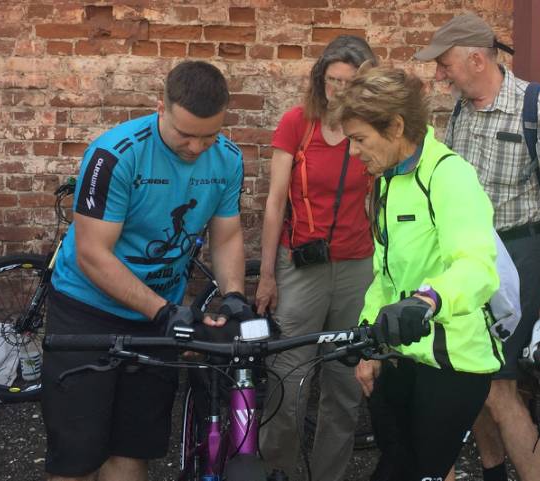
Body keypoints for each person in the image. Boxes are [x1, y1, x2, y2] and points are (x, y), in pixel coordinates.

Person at [42, 60, 253, 481]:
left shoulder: (228, 159)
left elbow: (227, 236)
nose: (196, 147)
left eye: (209, 135)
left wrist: (233, 297)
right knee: (77, 458)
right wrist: (164, 311)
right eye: (185, 134)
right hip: (88, 312)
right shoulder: (115, 154)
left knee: (132, 448)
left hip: (157, 318)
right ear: (161, 108)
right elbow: (92, 254)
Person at [414, 13, 540, 481]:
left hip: (519, 253)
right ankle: (494, 473)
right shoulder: (461, 109)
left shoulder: (538, 107)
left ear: (475, 59)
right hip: (470, 256)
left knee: (498, 387)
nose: (440, 75)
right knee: (472, 377)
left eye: (445, 64)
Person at [339, 64, 502, 480]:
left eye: (360, 139)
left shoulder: (449, 176)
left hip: (452, 361)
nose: (353, 152)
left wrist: (428, 300)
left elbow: (477, 266)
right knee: (401, 464)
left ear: (395, 127)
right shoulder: (388, 179)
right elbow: (385, 275)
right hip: (401, 353)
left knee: (411, 471)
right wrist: (368, 339)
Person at [255, 35, 377, 480]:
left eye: (348, 82)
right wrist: (267, 274)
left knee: (345, 384)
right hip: (302, 266)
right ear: (320, 78)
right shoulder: (298, 123)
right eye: (332, 80)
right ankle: (277, 472)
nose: (338, 90)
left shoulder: (372, 129)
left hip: (357, 266)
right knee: (288, 376)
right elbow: (275, 203)